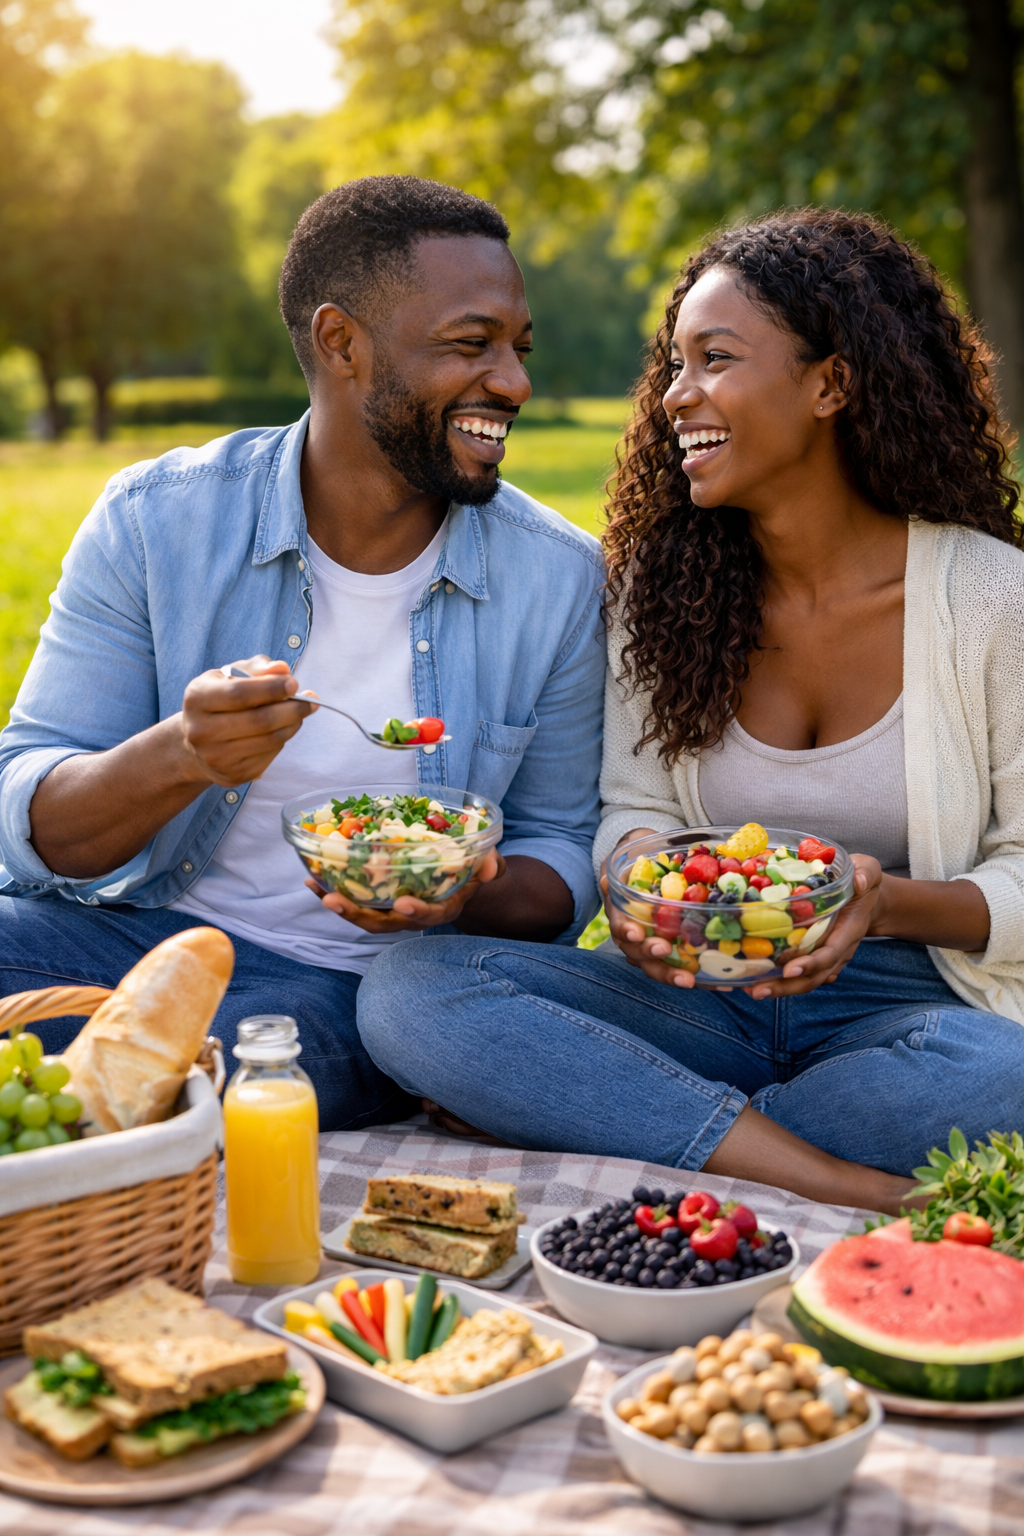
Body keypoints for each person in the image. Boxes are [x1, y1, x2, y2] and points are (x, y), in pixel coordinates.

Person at [358, 209, 1024, 1212]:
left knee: (1003, 1081)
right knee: (409, 994)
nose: (676, 396)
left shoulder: (988, 599)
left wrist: (883, 904)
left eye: (714, 359)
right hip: (696, 998)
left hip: (913, 1004)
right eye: (674, 365)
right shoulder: (659, 597)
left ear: (829, 384)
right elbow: (635, 809)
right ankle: (832, 1176)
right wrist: (640, 883)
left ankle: (637, 1118)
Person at [0, 176, 604, 1131]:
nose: (515, 383)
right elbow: (31, 818)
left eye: (518, 349)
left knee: (235, 1068)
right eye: (470, 343)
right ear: (341, 343)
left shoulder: (560, 577)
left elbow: (563, 854)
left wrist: (457, 889)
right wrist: (181, 756)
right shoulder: (157, 520)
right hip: (129, 933)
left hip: (354, 987)